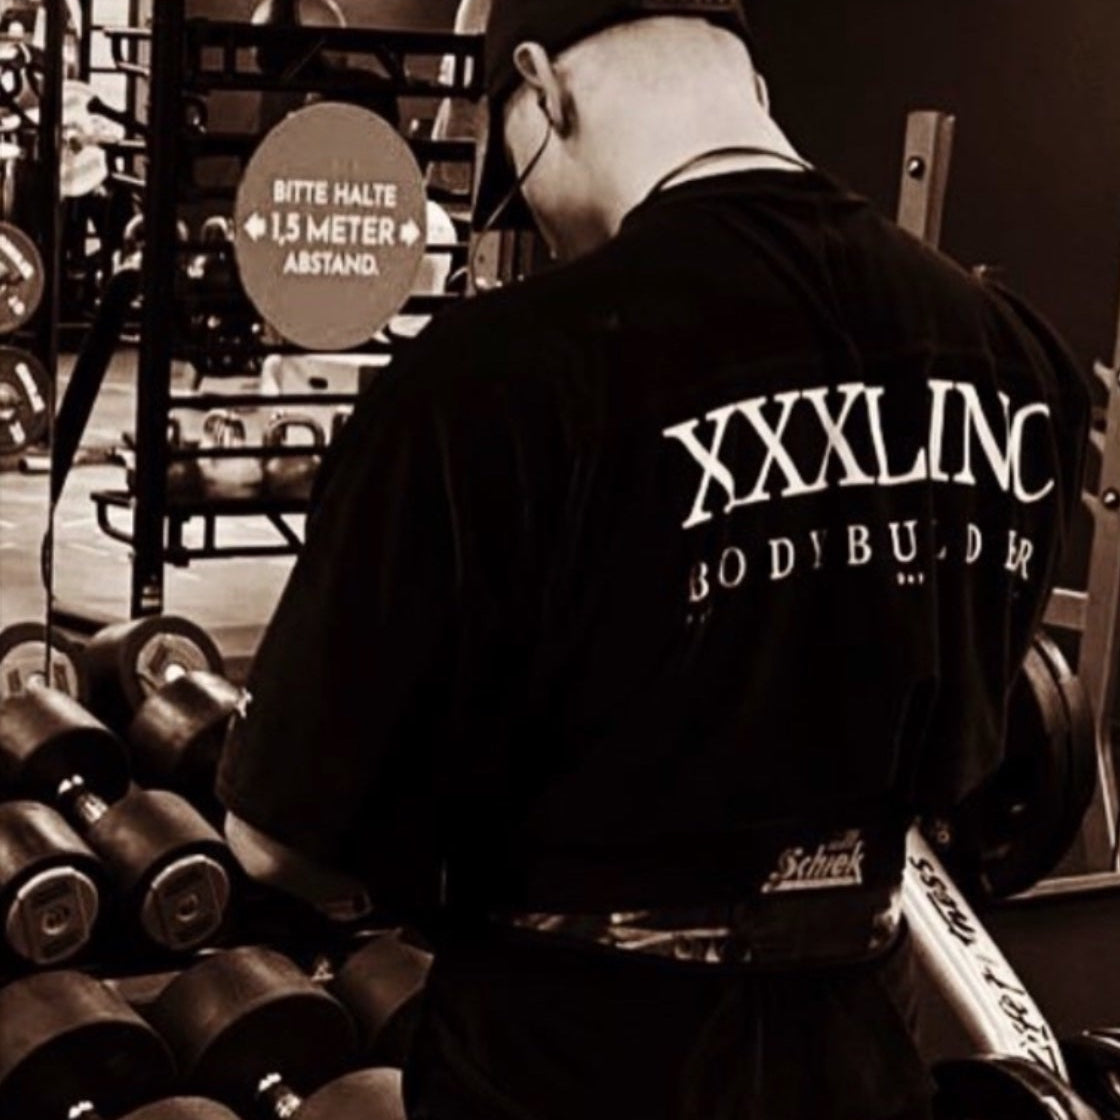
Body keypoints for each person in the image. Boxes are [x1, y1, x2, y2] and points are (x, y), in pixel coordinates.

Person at [217, 3, 1091, 1118]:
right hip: (858, 1051)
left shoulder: (490, 380)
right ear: (752, 88)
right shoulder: (1018, 358)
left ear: (543, 88)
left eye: (518, 174)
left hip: (567, 1065)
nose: (536, 218)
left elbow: (278, 839)